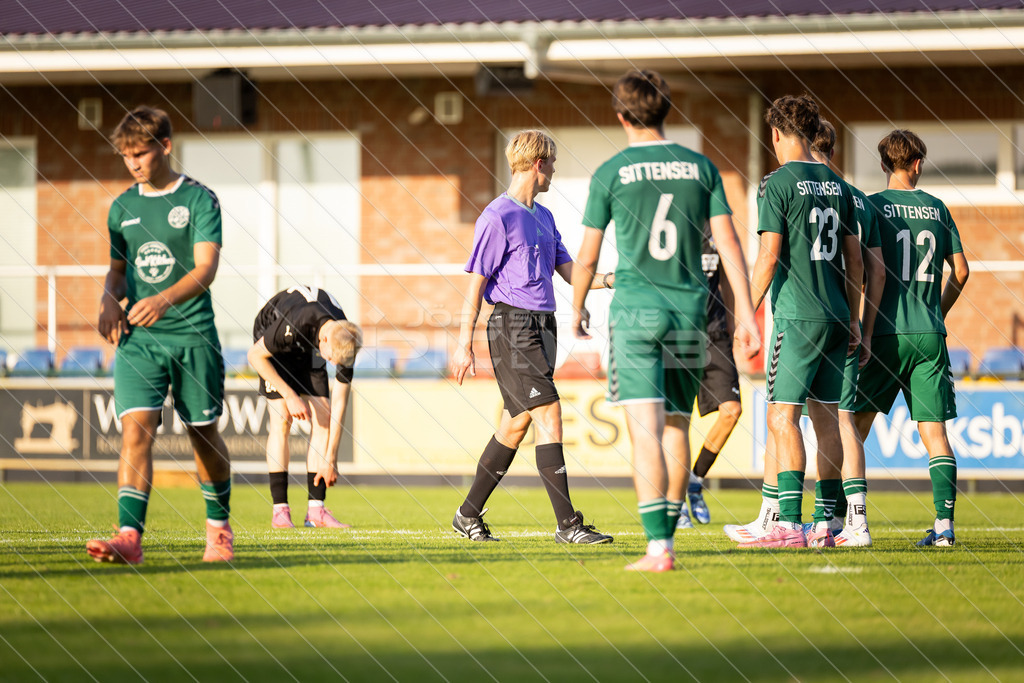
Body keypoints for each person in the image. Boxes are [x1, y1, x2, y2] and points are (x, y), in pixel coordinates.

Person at [572, 70, 760, 572]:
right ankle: (667, 546)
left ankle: (656, 548)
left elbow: (587, 256)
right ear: (665, 110)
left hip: (636, 312)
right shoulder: (700, 168)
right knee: (677, 424)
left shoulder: (611, 171)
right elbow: (729, 243)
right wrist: (745, 314)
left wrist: (576, 306)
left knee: (645, 431)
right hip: (689, 313)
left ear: (621, 115)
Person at [723, 119, 885, 546]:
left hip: (798, 316)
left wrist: (746, 314)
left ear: (778, 134)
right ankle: (825, 524)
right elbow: (857, 262)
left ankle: (788, 523)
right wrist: (854, 319)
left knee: (782, 417)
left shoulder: (778, 182)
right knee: (829, 419)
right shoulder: (840, 187)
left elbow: (768, 257)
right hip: (838, 317)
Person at [450, 130, 615, 545]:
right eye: (552, 163)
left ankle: (467, 514)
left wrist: (614, 279)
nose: (554, 171)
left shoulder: (545, 217)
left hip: (545, 326)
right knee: (549, 413)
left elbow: (570, 272)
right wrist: (463, 344)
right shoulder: (496, 216)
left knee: (517, 423)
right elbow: (475, 284)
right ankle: (568, 525)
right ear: (539, 164)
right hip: (512, 327)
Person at [87, 105, 233, 564]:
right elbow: (117, 272)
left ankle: (219, 529)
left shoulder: (199, 200)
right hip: (139, 342)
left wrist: (164, 299)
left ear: (165, 146)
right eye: (126, 155)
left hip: (192, 337)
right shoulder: (122, 208)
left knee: (203, 435)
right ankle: (129, 538)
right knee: (135, 433)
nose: (132, 163)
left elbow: (206, 268)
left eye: (140, 153)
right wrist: (108, 299)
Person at [852, 129, 969, 547]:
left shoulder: (870, 206)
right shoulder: (938, 209)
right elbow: (961, 272)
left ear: (884, 164)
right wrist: (938, 311)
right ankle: (944, 527)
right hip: (930, 333)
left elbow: (863, 271)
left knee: (853, 427)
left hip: (884, 331)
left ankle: (840, 520)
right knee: (935, 434)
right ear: (918, 163)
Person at [248, 285, 363, 529]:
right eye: (330, 358)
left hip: (309, 349)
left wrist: (331, 456)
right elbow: (254, 356)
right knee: (282, 418)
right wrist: (290, 395)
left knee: (324, 417)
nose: (332, 363)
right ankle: (280, 511)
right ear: (324, 340)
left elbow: (340, 401)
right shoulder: (296, 322)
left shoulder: (346, 340)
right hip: (274, 340)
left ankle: (316, 511)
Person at [681, 222, 745, 528]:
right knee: (678, 419)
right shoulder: (671, 223)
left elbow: (728, 278)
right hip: (679, 335)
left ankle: (695, 481)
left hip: (715, 333)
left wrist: (734, 322)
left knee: (732, 410)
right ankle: (675, 500)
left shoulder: (718, 228)